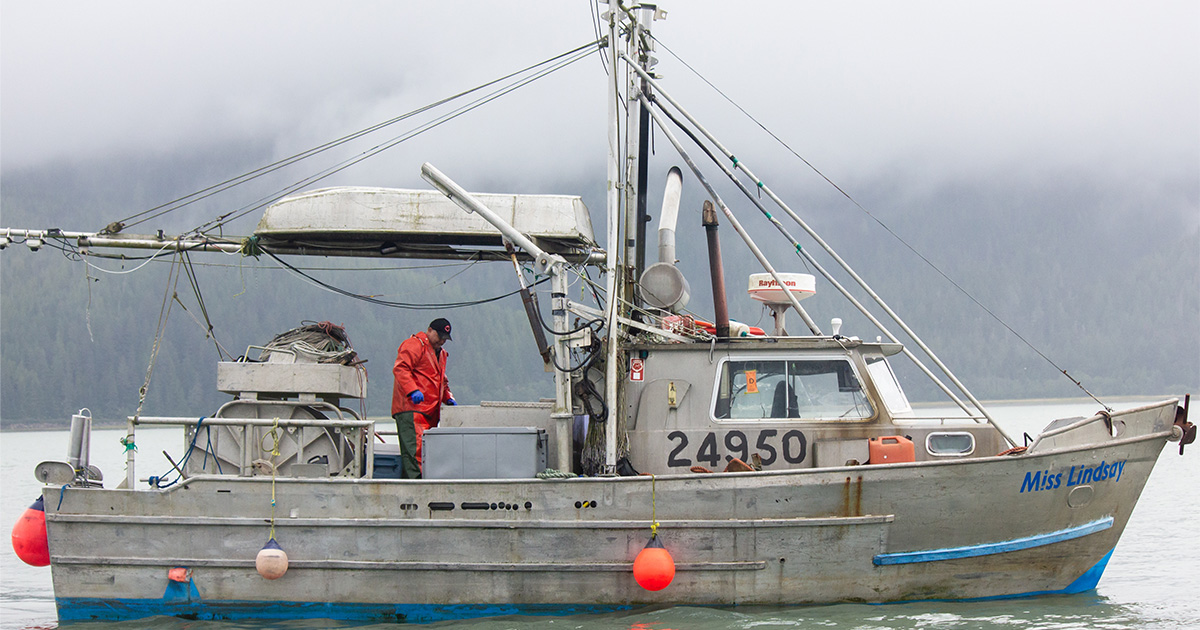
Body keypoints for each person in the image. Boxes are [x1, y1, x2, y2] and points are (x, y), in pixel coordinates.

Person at [392, 318, 456, 478]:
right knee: (416, 451)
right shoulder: (414, 344)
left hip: (430, 412)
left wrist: (447, 397)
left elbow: (442, 380)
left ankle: (424, 482)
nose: (441, 340)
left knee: (428, 451)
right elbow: (400, 368)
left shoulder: (441, 354)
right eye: (439, 336)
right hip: (411, 409)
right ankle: (418, 485)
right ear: (429, 330)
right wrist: (412, 390)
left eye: (445, 338)